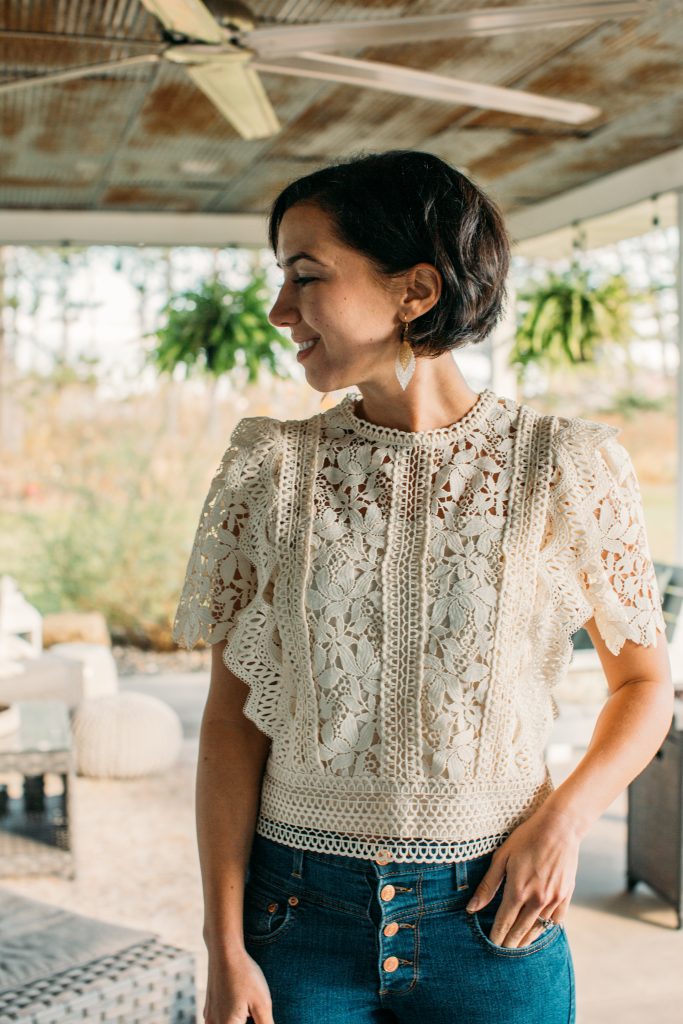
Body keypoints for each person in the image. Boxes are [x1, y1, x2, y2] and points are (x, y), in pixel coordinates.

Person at [172, 150, 673, 1024]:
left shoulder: (564, 466)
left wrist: (563, 822)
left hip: (493, 920)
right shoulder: (270, 473)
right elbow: (229, 720)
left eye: (305, 275)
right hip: (295, 920)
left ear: (416, 292)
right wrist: (222, 945)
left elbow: (642, 686)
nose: (278, 309)